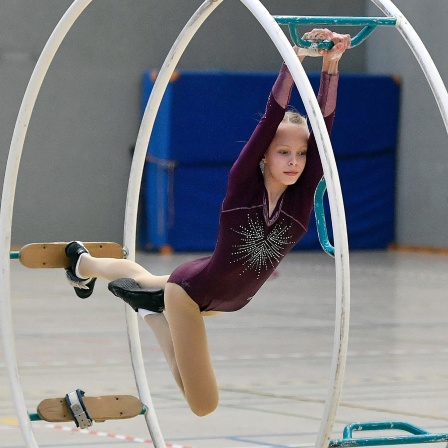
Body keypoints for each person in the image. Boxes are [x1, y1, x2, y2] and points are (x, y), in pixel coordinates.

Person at [64, 29, 350, 417]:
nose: (294, 160)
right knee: (203, 403)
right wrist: (294, 59)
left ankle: (81, 264)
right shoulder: (242, 187)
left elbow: (324, 126)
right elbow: (271, 118)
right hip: (190, 294)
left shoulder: (300, 198)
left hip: (226, 298)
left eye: (300, 153)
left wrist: (332, 65)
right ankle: (151, 313)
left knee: (142, 275)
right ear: (263, 156)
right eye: (283, 151)